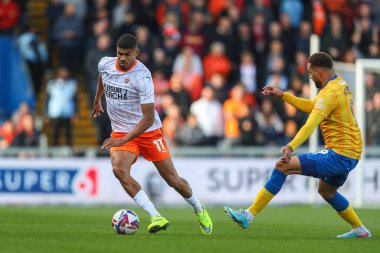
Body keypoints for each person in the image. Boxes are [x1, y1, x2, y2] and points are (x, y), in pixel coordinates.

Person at [224, 52, 371, 238]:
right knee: (326, 191)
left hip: (340, 153)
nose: (308, 76)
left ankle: (248, 215)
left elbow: (311, 124)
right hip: (352, 152)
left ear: (319, 72)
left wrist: (291, 146)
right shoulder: (338, 84)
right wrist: (283, 95)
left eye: (310, 72)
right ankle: (360, 230)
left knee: (282, 165)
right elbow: (312, 106)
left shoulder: (329, 93)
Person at [91, 34, 212, 235]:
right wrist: (97, 99)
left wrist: (123, 139)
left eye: (127, 55)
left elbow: (147, 118)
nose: (122, 58)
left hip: (148, 132)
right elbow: (102, 77)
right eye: (119, 54)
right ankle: (155, 215)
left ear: (137, 53)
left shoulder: (143, 77)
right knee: (119, 170)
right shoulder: (105, 64)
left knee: (173, 181)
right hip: (121, 129)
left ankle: (199, 208)